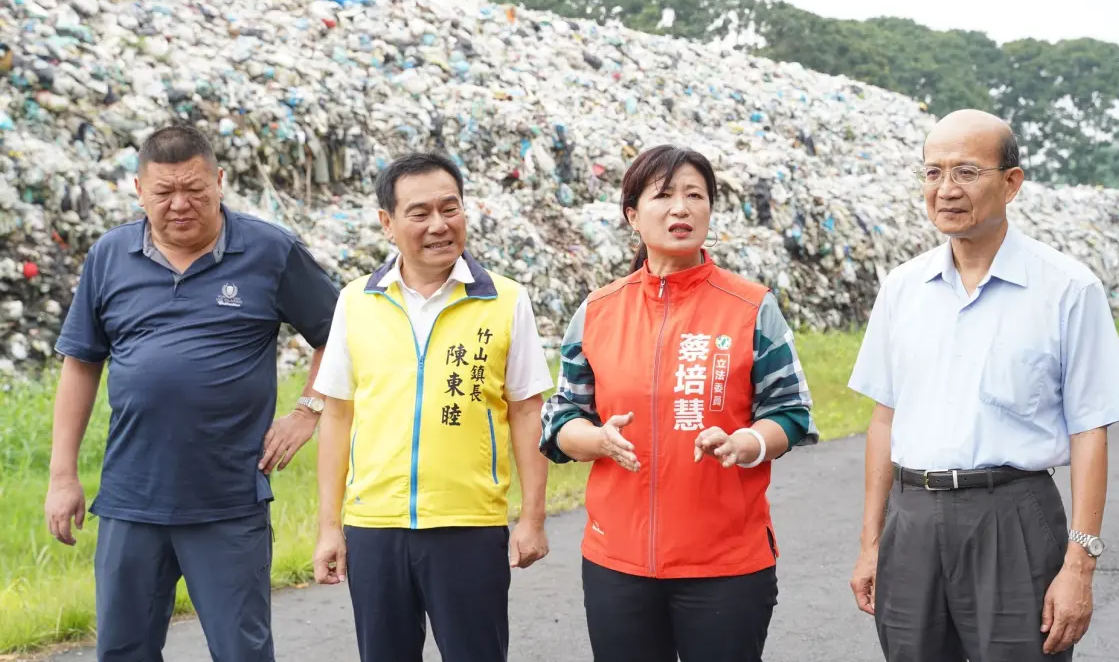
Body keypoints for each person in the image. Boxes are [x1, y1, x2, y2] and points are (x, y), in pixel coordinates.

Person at [847, 109, 1119, 662]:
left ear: (1012, 183)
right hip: (910, 521)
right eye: (933, 173)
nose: (946, 190)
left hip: (1013, 518)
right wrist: (871, 544)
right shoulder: (903, 288)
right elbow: (884, 420)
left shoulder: (1067, 289)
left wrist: (1079, 565)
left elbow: (1089, 432)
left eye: (966, 172)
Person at [45, 124, 338, 661]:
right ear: (139, 190)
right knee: (123, 650)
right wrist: (63, 477)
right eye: (163, 193)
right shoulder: (110, 256)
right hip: (132, 501)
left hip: (227, 501)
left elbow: (340, 335)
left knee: (241, 651)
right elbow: (81, 364)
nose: (180, 204)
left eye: (195, 190)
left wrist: (307, 409)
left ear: (220, 181)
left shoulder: (269, 251)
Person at [539, 144, 820, 662]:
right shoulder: (598, 311)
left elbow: (792, 412)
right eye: (663, 195)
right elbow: (560, 421)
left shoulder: (751, 307)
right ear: (632, 214)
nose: (681, 209)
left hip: (726, 566)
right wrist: (597, 439)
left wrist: (750, 441)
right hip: (616, 564)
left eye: (695, 196)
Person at [310, 152, 554, 662]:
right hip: (375, 529)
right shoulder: (357, 301)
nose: (439, 225)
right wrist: (330, 526)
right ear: (388, 223)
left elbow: (528, 411)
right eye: (420, 213)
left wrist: (532, 517)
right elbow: (337, 416)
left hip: (468, 526)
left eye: (451, 208)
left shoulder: (506, 300)